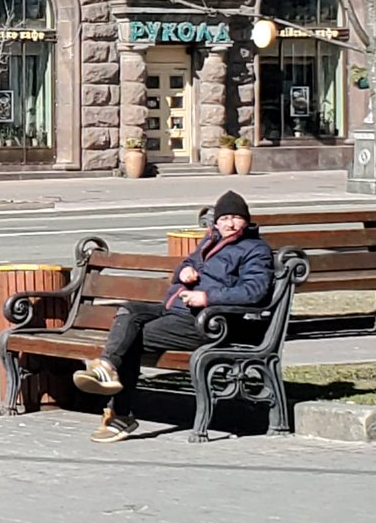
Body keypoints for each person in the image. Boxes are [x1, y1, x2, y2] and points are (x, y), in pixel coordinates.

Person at [72, 190, 274, 443]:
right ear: (216, 222)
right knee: (130, 310)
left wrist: (207, 297)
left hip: (210, 322)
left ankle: (119, 413)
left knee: (130, 338)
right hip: (177, 307)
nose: (230, 224)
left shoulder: (255, 249)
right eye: (224, 219)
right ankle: (107, 367)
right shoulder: (210, 240)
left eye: (236, 218)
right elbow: (183, 266)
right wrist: (185, 272)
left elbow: (254, 291)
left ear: (247, 220)